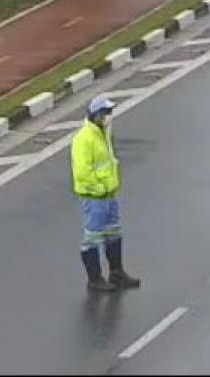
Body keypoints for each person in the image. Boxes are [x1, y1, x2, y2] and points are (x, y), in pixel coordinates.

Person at [71, 96, 140, 292]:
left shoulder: (103, 133)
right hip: (95, 198)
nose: (109, 116)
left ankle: (117, 272)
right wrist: (100, 189)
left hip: (109, 195)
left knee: (113, 233)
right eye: (106, 113)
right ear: (96, 115)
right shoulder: (84, 139)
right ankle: (94, 279)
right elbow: (83, 172)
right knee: (92, 238)